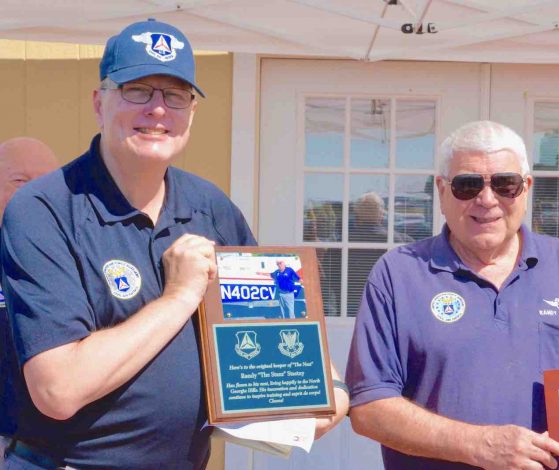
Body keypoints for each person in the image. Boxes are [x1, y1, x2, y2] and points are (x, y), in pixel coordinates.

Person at [0, 19, 348, 469]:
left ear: (191, 112)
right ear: (99, 102)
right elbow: (58, 389)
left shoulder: (210, 206)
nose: (158, 110)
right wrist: (179, 296)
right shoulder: (44, 209)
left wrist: (328, 388)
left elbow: (274, 315)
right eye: (138, 90)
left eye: (175, 95)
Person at [345, 121, 559, 470]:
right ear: (442, 191)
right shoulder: (398, 274)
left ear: (526, 189)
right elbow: (369, 408)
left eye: (505, 184)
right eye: (467, 185)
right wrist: (479, 445)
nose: (487, 199)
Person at [0, 137, 59, 464]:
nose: (33, 194)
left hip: (56, 447)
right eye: (19, 181)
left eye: (44, 182)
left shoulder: (76, 258)